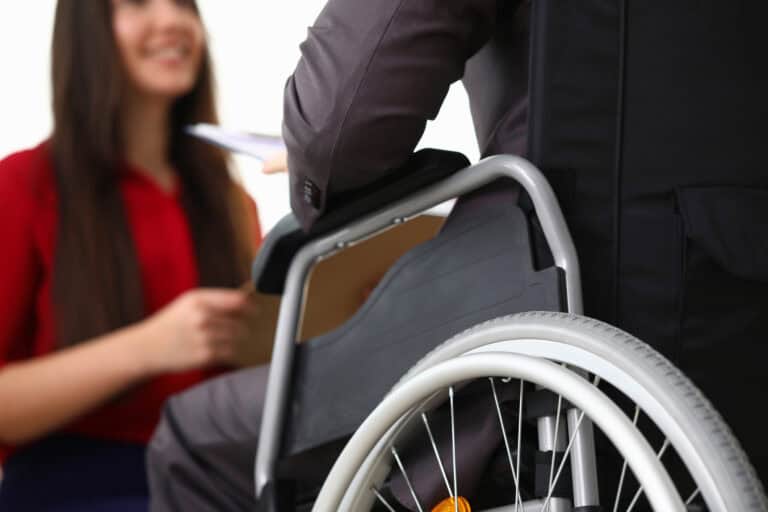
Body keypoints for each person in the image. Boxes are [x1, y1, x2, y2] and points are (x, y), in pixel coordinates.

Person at [147, 0, 768, 510]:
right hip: (731, 308)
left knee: (193, 437)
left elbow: (337, 132)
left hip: (554, 300)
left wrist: (314, 185)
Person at [0, 0, 263, 509]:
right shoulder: (23, 186)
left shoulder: (232, 202)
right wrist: (151, 346)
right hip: (77, 486)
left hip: (221, 478)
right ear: (88, 34)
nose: (172, 20)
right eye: (139, 3)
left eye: (183, 4)